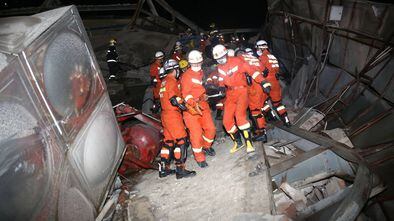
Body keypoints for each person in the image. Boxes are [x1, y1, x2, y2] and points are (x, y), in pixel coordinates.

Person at [212, 44, 266, 154]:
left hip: (242, 91)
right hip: (230, 93)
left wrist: (263, 82)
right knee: (226, 121)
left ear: (226, 54)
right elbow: (222, 79)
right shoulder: (219, 67)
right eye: (218, 59)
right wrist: (222, 87)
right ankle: (238, 142)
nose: (220, 60)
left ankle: (249, 144)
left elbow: (252, 71)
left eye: (222, 58)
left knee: (240, 117)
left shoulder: (237, 61)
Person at [158, 59, 196, 179]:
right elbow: (174, 99)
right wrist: (186, 107)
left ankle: (163, 168)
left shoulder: (163, 82)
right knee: (181, 140)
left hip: (164, 115)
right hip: (172, 115)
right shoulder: (172, 81)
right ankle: (180, 169)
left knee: (168, 142)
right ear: (175, 70)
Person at [180, 50, 216, 168]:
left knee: (210, 129)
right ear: (190, 63)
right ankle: (199, 157)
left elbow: (201, 87)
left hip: (203, 104)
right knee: (196, 134)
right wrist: (193, 103)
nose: (197, 64)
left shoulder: (201, 73)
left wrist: (205, 95)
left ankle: (206, 147)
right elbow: (186, 94)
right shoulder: (186, 76)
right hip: (191, 109)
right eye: (194, 63)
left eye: (198, 62)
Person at [255, 40, 290, 126]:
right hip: (275, 82)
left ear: (260, 47)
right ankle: (286, 121)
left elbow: (260, 71)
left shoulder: (262, 58)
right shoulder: (272, 57)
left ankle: (271, 117)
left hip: (267, 82)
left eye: (257, 48)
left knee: (260, 102)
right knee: (278, 103)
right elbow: (277, 70)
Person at [235, 50, 268, 142]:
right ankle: (260, 129)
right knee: (259, 109)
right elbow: (265, 70)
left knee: (255, 111)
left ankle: (262, 133)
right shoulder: (253, 58)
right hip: (262, 85)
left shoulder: (239, 59)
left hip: (253, 86)